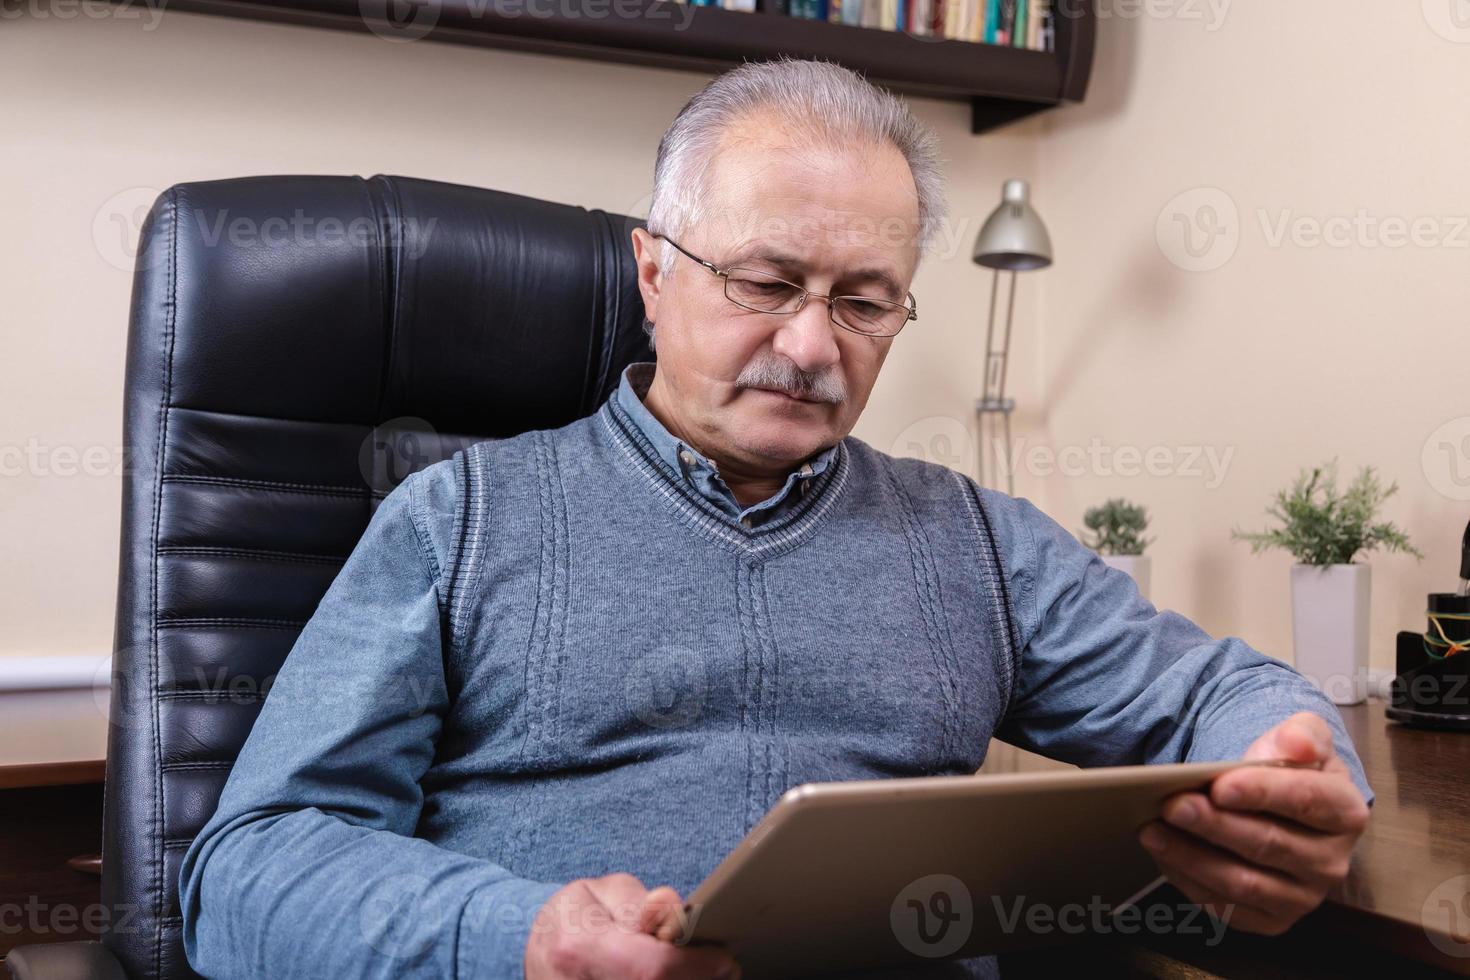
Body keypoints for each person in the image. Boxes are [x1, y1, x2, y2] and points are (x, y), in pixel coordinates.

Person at [179, 57, 1370, 980]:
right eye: (765, 282)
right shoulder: (459, 519)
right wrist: (518, 937)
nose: (811, 347)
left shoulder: (974, 540)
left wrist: (1297, 774)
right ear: (654, 274)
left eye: (864, 301)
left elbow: (1231, 694)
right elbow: (251, 867)